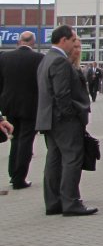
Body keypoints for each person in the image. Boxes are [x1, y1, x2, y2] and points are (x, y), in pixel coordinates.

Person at [36, 25, 97, 216]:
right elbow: (62, 94)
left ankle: (54, 202)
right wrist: (71, 116)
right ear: (63, 40)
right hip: (63, 121)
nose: (74, 45)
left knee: (53, 160)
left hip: (49, 120)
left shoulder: (46, 59)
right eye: (73, 41)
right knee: (72, 159)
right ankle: (71, 203)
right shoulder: (60, 62)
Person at [0, 31, 44, 189]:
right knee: (26, 140)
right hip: (30, 106)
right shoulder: (39, 59)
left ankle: (13, 173)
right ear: (33, 43)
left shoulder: (4, 57)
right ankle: (19, 178)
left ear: (18, 42)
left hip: (9, 106)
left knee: (15, 139)